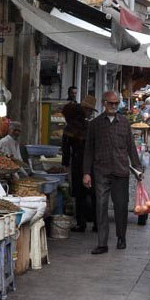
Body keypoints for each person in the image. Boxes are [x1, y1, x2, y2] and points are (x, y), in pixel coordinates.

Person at [83, 91, 143, 254]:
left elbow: (131, 147)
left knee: (121, 206)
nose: (114, 106)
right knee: (101, 206)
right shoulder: (95, 124)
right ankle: (102, 243)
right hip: (101, 170)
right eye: (111, 103)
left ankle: (121, 237)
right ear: (104, 103)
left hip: (120, 170)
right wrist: (86, 172)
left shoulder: (124, 122)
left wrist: (138, 168)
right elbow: (88, 149)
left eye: (116, 103)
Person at [61, 94, 95, 232]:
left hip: (78, 162)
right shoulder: (90, 127)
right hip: (90, 163)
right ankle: (96, 223)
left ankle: (82, 223)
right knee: (93, 193)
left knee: (81, 195)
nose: (90, 112)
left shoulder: (70, 128)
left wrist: (65, 164)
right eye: (89, 110)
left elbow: (65, 150)